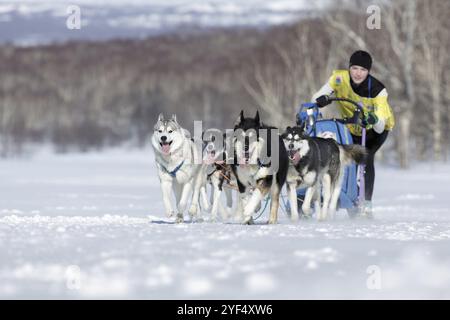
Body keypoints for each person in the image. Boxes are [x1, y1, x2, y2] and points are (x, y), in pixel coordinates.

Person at [311, 50, 395, 217]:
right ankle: (353, 201)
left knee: (365, 157)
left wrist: (372, 119)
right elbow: (316, 98)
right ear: (349, 67)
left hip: (376, 130)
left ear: (369, 71)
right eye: (354, 68)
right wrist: (322, 99)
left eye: (363, 70)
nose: (357, 73)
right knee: (349, 161)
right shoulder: (339, 78)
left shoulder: (378, 90)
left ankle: (367, 204)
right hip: (353, 127)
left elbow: (380, 126)